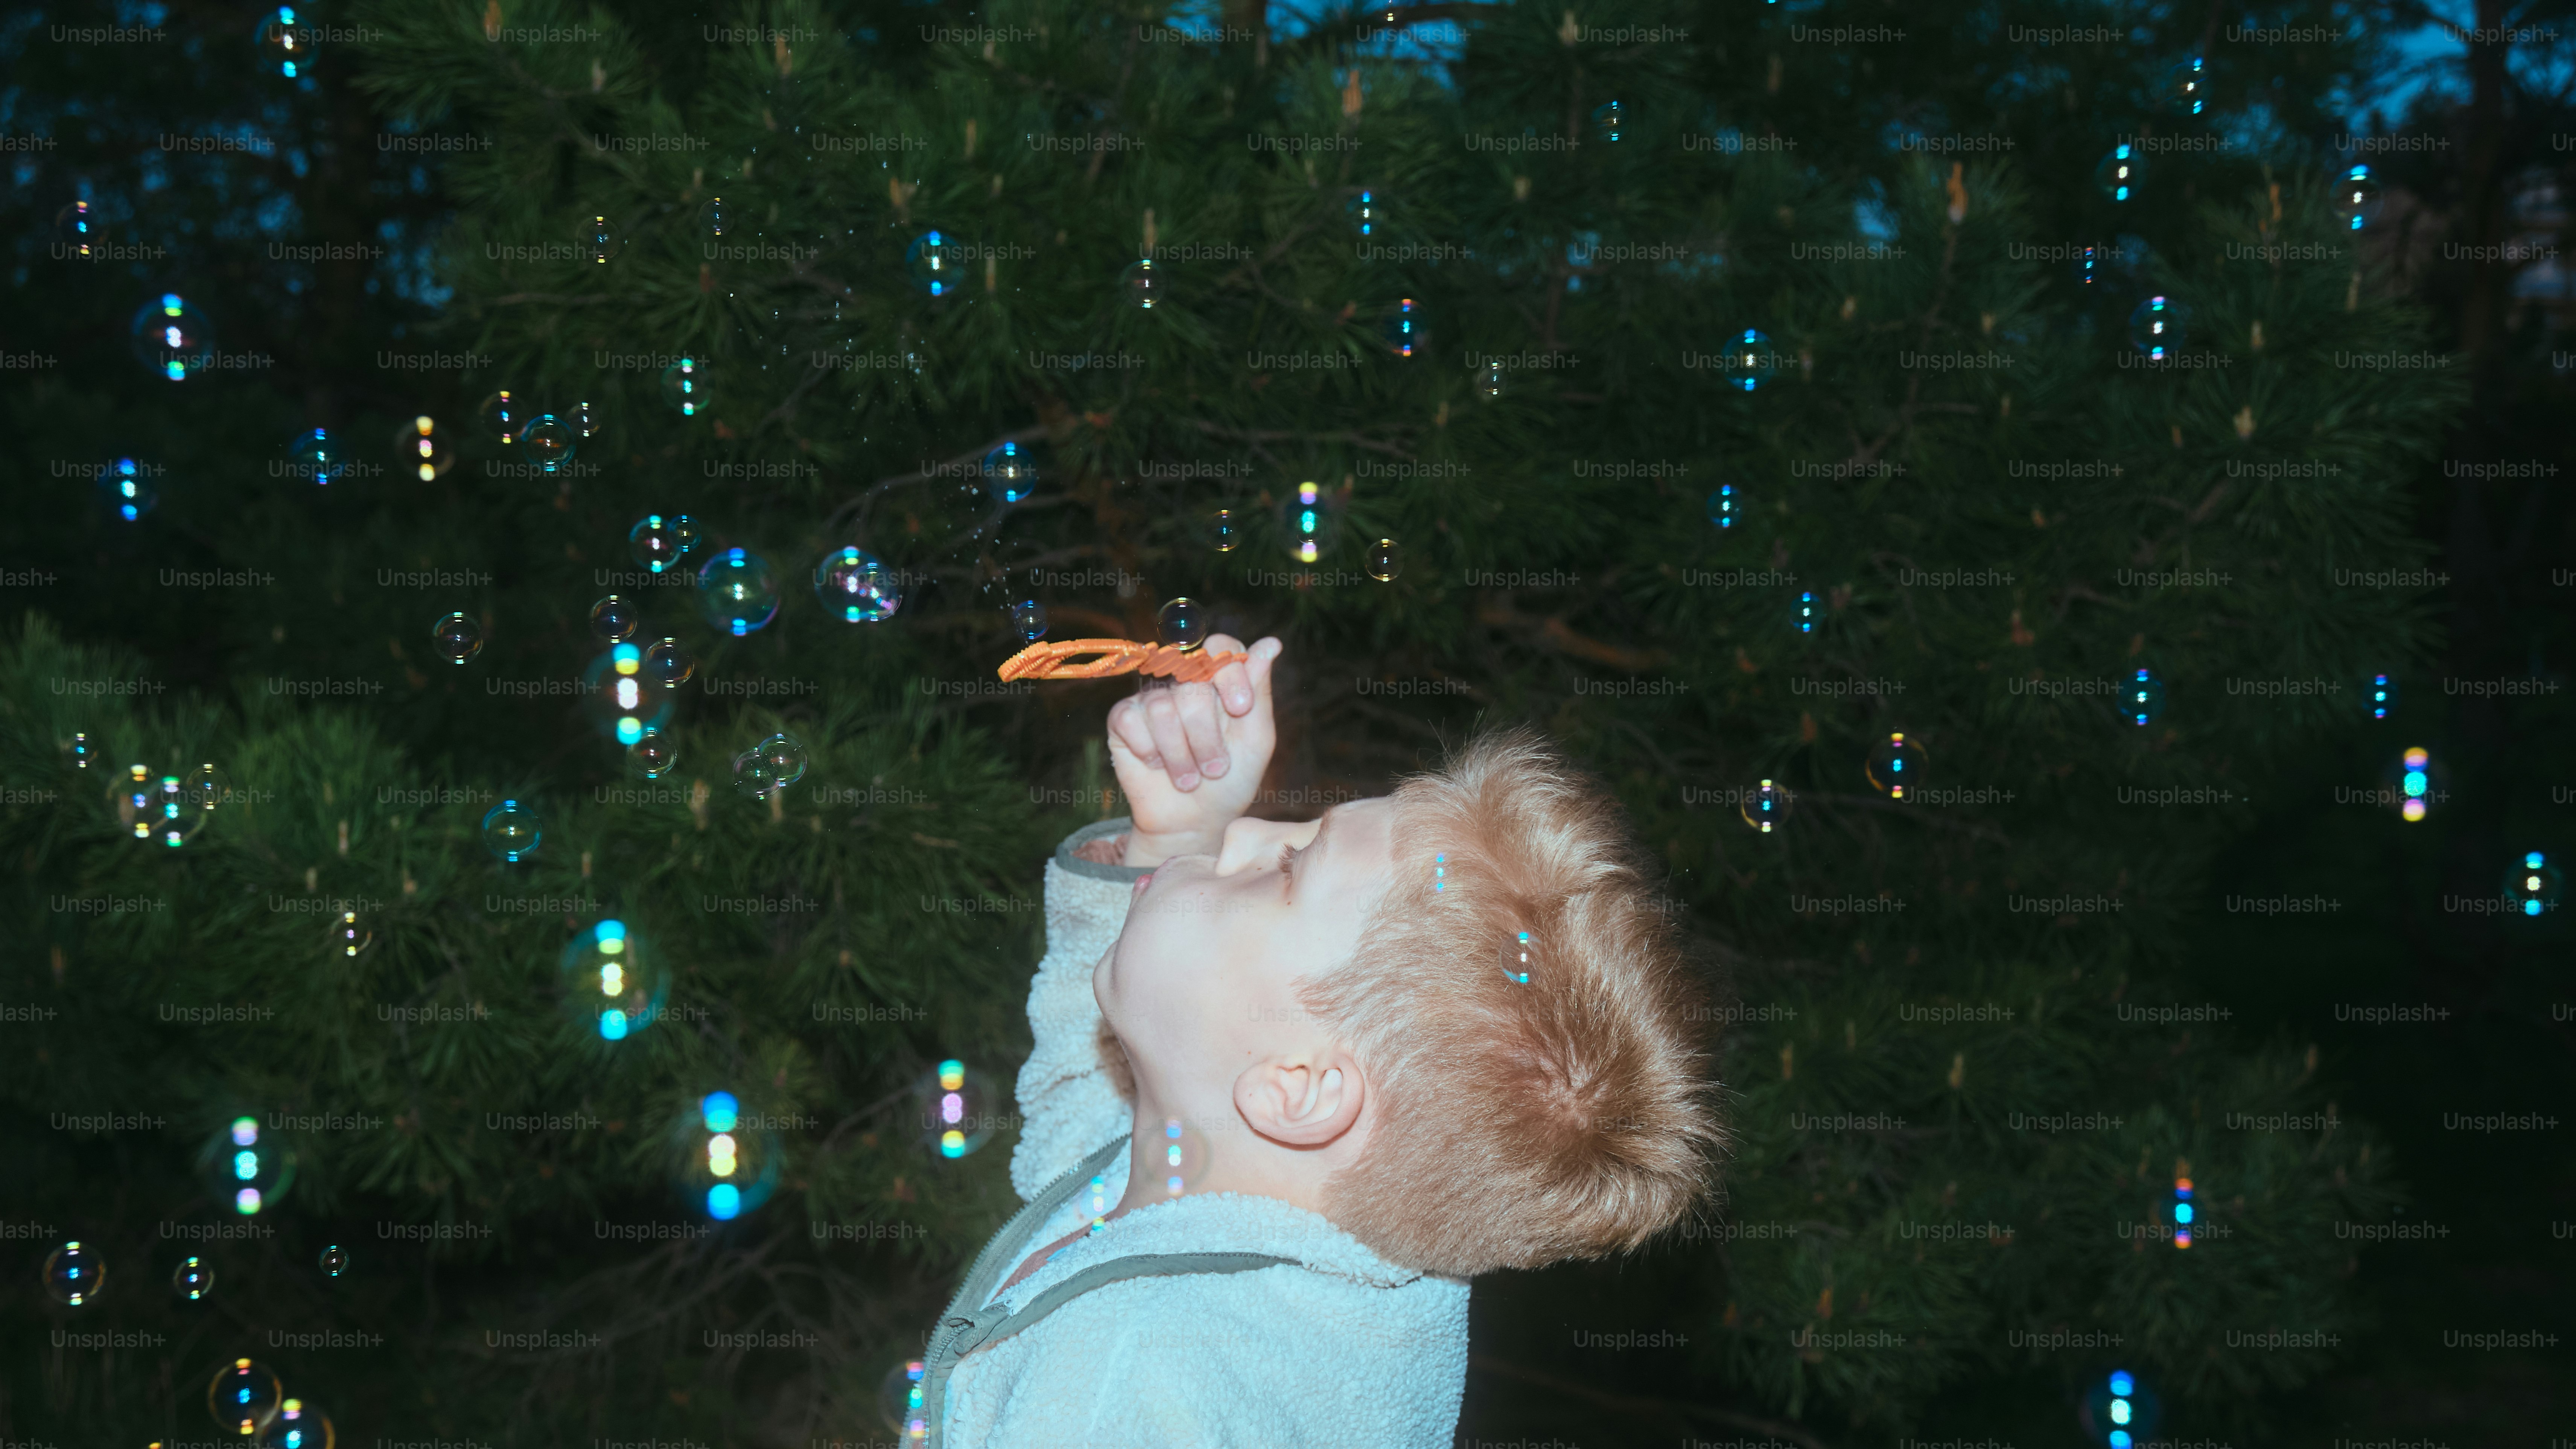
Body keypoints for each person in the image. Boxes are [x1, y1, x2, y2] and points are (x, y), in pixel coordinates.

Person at [913, 634, 1723, 1447]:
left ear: (1302, 1088)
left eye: (1289, 868)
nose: (1245, 833)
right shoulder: (1326, 1246)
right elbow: (1092, 1126)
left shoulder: (1124, 1381)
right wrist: (1176, 838)